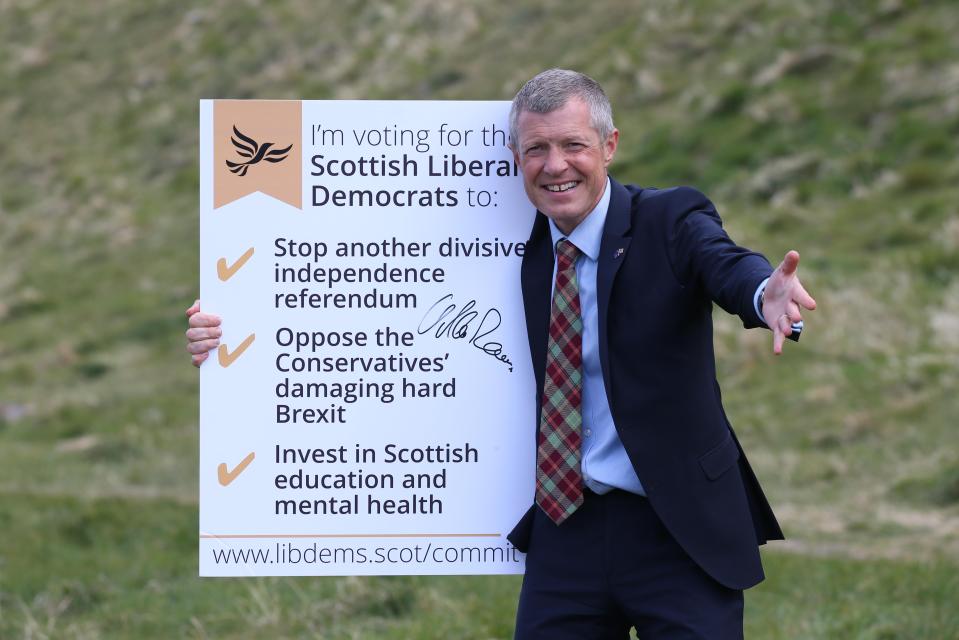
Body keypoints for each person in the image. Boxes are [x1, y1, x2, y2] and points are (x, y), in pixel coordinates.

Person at [187, 69, 816, 639]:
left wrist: (764, 293)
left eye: (574, 145)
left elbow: (724, 263)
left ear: (610, 146)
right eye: (536, 148)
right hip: (567, 527)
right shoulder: (506, 247)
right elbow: (351, 296)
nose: (555, 165)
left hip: (677, 526)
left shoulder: (669, 219)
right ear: (516, 157)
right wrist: (233, 332)